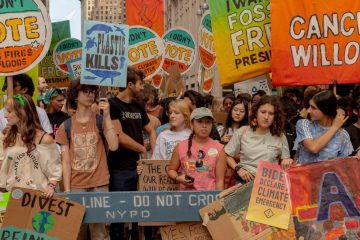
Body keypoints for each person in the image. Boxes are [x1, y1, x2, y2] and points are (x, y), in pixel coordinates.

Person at [56, 80, 118, 240]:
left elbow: (114, 145)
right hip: (77, 186)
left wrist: (108, 116)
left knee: (101, 233)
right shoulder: (66, 126)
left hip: (99, 184)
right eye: (86, 91)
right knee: (76, 232)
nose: (91, 94)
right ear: (75, 95)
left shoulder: (100, 121)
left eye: (93, 91)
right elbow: (66, 161)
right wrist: (68, 190)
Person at [108, 66, 156, 240]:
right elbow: (119, 136)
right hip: (119, 169)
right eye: (140, 84)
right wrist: (143, 149)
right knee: (118, 214)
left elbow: (151, 130)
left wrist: (153, 156)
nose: (142, 87)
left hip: (140, 168)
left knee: (140, 212)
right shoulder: (112, 104)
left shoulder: (138, 105)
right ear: (130, 84)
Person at [216, 96, 293, 190]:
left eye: (271, 113)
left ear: (275, 116)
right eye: (263, 112)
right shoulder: (243, 132)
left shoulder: (280, 136)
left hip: (268, 186)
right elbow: (227, 154)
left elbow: (286, 162)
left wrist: (287, 160)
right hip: (244, 183)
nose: (266, 117)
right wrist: (238, 168)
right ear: (256, 112)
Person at [0, 94, 61, 198]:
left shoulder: (44, 138)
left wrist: (50, 186)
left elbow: (54, 169)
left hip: (37, 197)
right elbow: (3, 166)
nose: (5, 115)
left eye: (9, 112)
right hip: (10, 196)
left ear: (21, 113)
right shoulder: (6, 137)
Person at [167, 107, 223, 190]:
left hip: (210, 198)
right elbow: (171, 170)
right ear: (192, 124)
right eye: (200, 122)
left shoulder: (219, 148)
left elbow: (220, 181)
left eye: (208, 122)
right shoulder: (181, 146)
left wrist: (219, 200)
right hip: (186, 198)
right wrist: (178, 178)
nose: (204, 126)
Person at [295, 91, 353, 164]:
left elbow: (344, 165)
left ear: (325, 109)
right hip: (303, 175)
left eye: (313, 108)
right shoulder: (304, 124)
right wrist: (334, 127)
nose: (309, 111)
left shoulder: (343, 135)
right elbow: (313, 148)